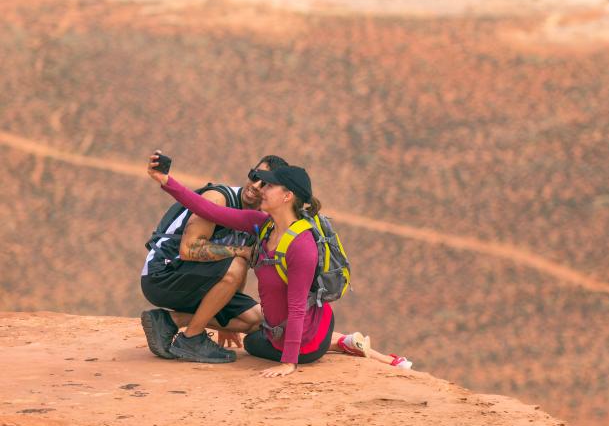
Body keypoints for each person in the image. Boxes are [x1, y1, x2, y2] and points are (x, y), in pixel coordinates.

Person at [147, 153, 413, 375]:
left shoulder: (301, 245)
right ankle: (349, 342)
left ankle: (348, 345)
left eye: (270, 186)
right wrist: (166, 181)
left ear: (287, 196)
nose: (262, 189)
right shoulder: (263, 225)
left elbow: (297, 307)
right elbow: (209, 210)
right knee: (254, 325)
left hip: (306, 343)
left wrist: (289, 362)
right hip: (279, 328)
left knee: (253, 341)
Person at [139, 156, 289, 363]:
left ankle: (169, 321)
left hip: (199, 280)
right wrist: (239, 251)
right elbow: (189, 249)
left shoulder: (261, 219)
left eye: (266, 184)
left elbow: (241, 268)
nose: (255, 186)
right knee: (237, 260)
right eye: (255, 176)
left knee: (258, 320)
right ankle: (191, 339)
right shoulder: (219, 198)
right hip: (162, 276)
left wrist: (222, 309)